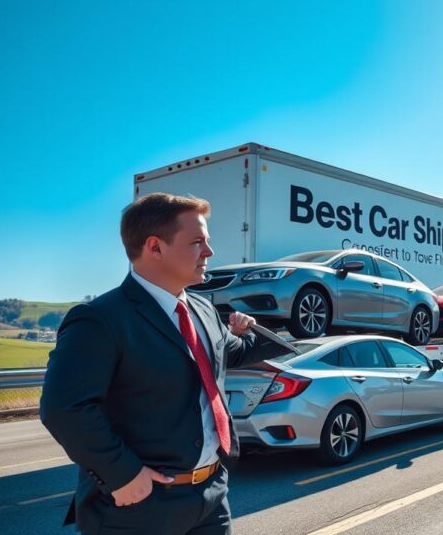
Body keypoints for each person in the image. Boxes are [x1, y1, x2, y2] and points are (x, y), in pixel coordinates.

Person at [41, 192, 289, 534]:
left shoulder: (204, 311)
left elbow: (234, 352)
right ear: (155, 247)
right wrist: (123, 474)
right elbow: (64, 408)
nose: (209, 253)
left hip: (211, 496)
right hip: (138, 509)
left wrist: (265, 330)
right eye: (197, 242)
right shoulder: (100, 319)